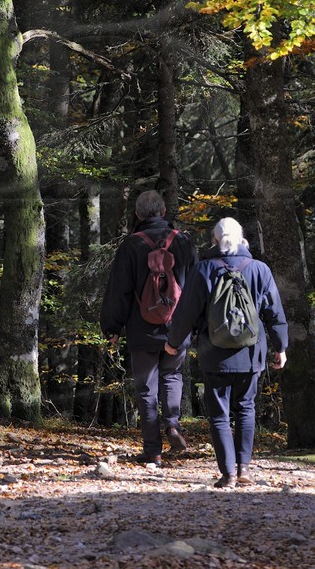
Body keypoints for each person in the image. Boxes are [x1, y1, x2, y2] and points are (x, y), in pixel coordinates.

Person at [164, 216, 287, 488]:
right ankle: (244, 469)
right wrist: (280, 347)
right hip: (251, 352)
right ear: (242, 238)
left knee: (219, 414)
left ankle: (228, 474)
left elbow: (185, 313)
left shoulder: (203, 269)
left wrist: (173, 342)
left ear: (215, 240)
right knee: (246, 408)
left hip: (214, 353)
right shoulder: (259, 270)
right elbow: (274, 313)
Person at [99, 189, 198, 465]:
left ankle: (153, 450)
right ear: (164, 212)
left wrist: (112, 328)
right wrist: (198, 324)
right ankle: (173, 424)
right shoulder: (184, 243)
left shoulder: (131, 245)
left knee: (146, 389)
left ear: (138, 214)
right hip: (176, 328)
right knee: (173, 375)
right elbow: (196, 289)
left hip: (141, 329)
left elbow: (119, 291)